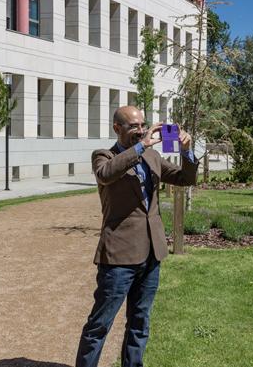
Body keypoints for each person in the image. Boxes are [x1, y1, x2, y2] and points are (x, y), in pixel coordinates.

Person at [76, 106, 198, 367]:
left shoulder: (152, 157)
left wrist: (187, 151)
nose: (142, 130)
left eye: (144, 125)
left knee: (140, 323)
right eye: (134, 126)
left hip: (151, 253)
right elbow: (107, 174)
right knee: (100, 324)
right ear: (117, 128)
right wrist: (142, 145)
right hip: (119, 256)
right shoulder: (103, 156)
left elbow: (185, 178)